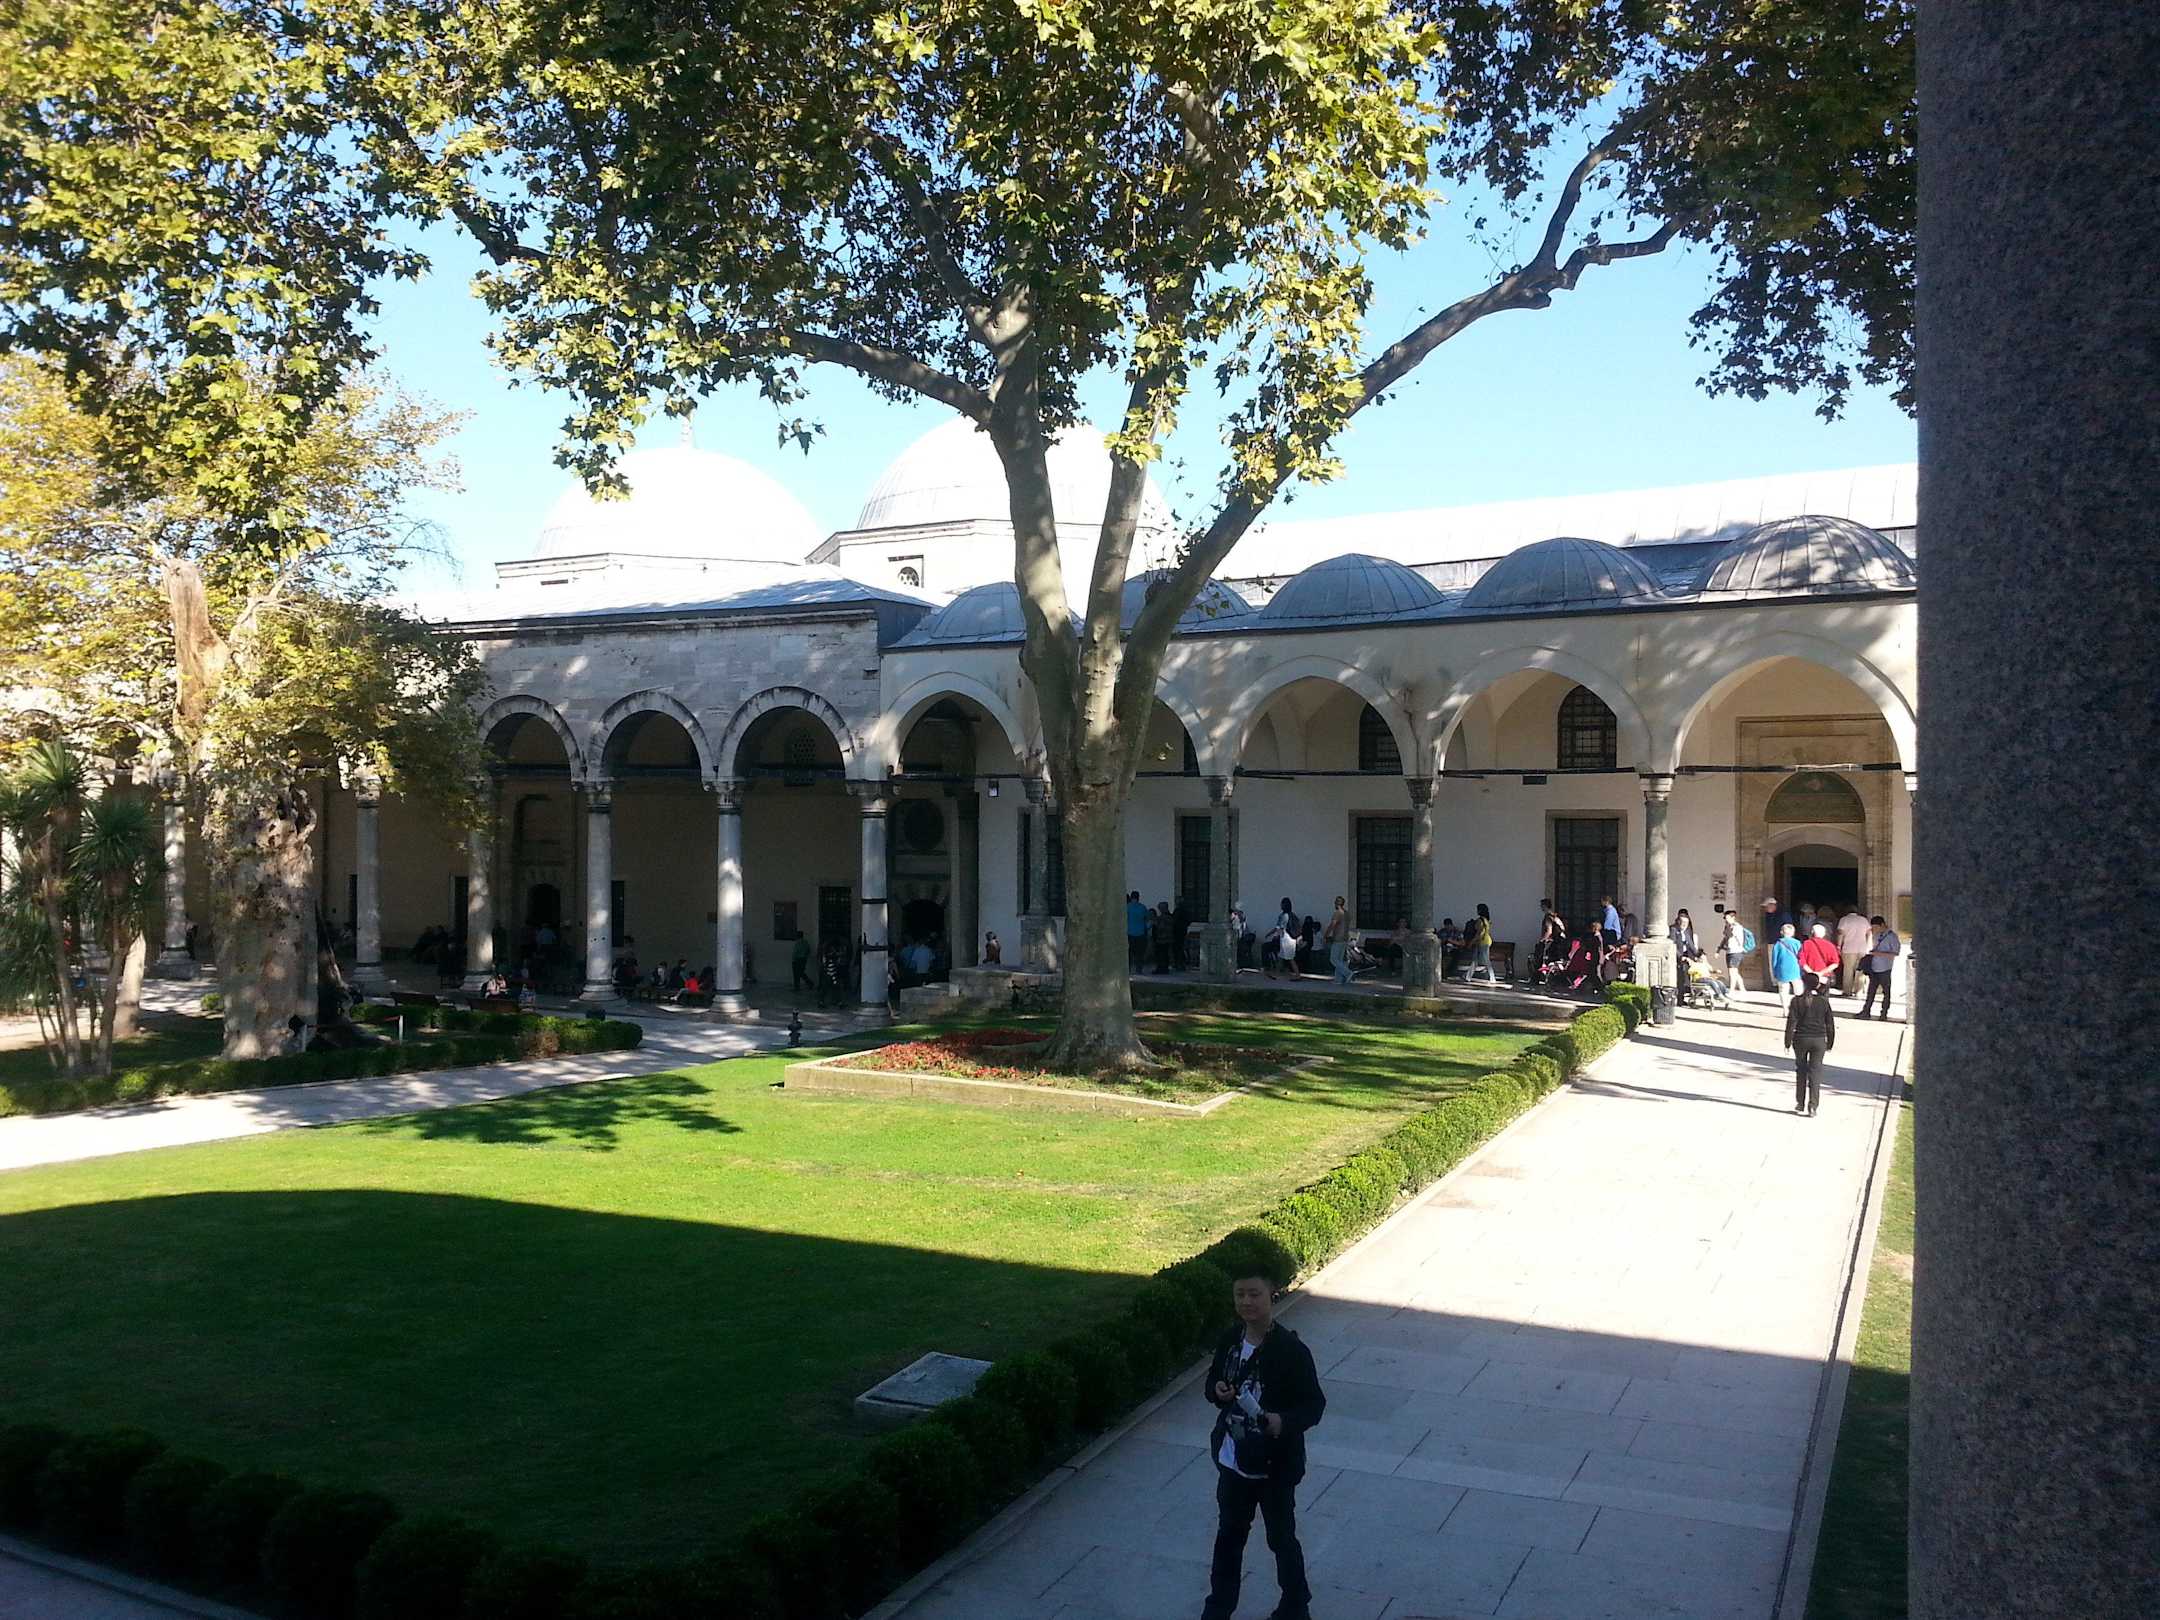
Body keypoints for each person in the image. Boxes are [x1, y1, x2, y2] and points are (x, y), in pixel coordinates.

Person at [1200, 1266, 1326, 1620]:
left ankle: (1295, 1605)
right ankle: (1218, 1608)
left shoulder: (1291, 1350)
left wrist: (1282, 1422)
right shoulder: (1230, 1339)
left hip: (1275, 1467)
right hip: (1233, 1461)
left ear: (1271, 1294)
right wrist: (1218, 1391)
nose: (1246, 1302)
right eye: (1240, 1294)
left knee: (1281, 1538)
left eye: (1254, 1294)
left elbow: (1314, 1405)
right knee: (1228, 1538)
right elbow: (1212, 1382)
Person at [1784, 975, 1836, 1115]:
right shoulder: (1823, 1002)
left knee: (1801, 1070)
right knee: (1815, 1071)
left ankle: (1800, 1102)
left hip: (1801, 1039)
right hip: (1819, 1039)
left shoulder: (1796, 1001)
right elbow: (1830, 1024)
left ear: (1803, 984)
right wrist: (1830, 1042)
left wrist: (1787, 1041)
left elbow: (1791, 1023)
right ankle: (1813, 1105)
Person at [1861, 915, 1901, 1019]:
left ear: (1882, 925)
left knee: (1886, 992)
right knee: (1871, 991)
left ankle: (1884, 1013)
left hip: (1885, 968)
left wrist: (1879, 954)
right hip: (1874, 966)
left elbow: (1896, 953)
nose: (1874, 929)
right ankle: (1866, 1011)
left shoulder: (1892, 937)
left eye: (1876, 927)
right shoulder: (1876, 935)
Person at [1835, 905, 1873, 996]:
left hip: (1848, 948)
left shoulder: (1844, 920)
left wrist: (1839, 946)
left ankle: (1847, 991)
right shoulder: (1863, 920)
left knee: (1848, 970)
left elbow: (1840, 934)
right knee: (1860, 970)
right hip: (1862, 948)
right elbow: (1869, 933)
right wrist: (1869, 946)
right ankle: (1858, 991)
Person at [1797, 921, 1840, 992]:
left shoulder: (1806, 944)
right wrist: (1821, 973)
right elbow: (1835, 963)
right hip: (1824, 976)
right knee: (1823, 996)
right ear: (1824, 934)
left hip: (1809, 976)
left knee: (1807, 995)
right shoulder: (1830, 945)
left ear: (1811, 932)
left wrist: (1812, 973)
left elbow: (1801, 961)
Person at [1459, 903, 1496, 983]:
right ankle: (1467, 976)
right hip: (1486, 941)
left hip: (1482, 942)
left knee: (1485, 961)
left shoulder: (1480, 921)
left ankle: (1492, 977)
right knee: (1475, 961)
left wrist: (1471, 942)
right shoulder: (1487, 920)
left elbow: (1479, 934)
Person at [1769, 921, 1804, 1007]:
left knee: (1783, 990)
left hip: (1782, 968)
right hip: (1795, 967)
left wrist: (1774, 972)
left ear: (1781, 932)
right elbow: (1801, 956)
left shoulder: (1778, 944)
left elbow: (1774, 959)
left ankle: (1785, 1008)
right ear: (1792, 933)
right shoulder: (1797, 943)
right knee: (1798, 989)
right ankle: (1799, 1006)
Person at [1323, 897, 1351, 984]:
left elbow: (1332, 925)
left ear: (1336, 903)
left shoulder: (1337, 913)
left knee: (1333, 959)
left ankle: (1348, 973)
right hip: (1345, 938)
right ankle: (1339, 979)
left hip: (1338, 938)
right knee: (1340, 960)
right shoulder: (1346, 913)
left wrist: (1326, 935)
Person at [1126, 890, 1150, 975]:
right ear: (1138, 898)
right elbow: (1147, 919)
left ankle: (1128, 969)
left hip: (1129, 933)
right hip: (1141, 933)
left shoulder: (1127, 907)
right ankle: (1139, 969)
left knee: (1129, 953)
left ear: (1131, 897)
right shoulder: (1142, 907)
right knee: (1140, 953)